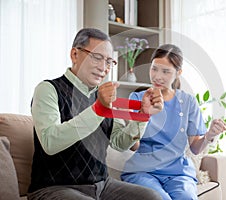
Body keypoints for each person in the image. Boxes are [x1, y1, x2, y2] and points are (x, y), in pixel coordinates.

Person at [27, 28, 163, 200]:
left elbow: (119, 143)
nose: (104, 68)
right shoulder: (48, 89)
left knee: (152, 197)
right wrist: (99, 109)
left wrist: (143, 115)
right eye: (97, 57)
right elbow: (50, 142)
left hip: (102, 185)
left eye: (109, 61)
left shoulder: (104, 95)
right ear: (75, 54)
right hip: (54, 188)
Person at [118, 44, 226, 200]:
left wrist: (209, 135)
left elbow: (195, 148)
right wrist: (143, 114)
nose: (157, 76)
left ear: (178, 73)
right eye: (154, 69)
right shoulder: (136, 99)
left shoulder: (188, 102)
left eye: (165, 71)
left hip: (178, 173)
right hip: (143, 171)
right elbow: (135, 146)